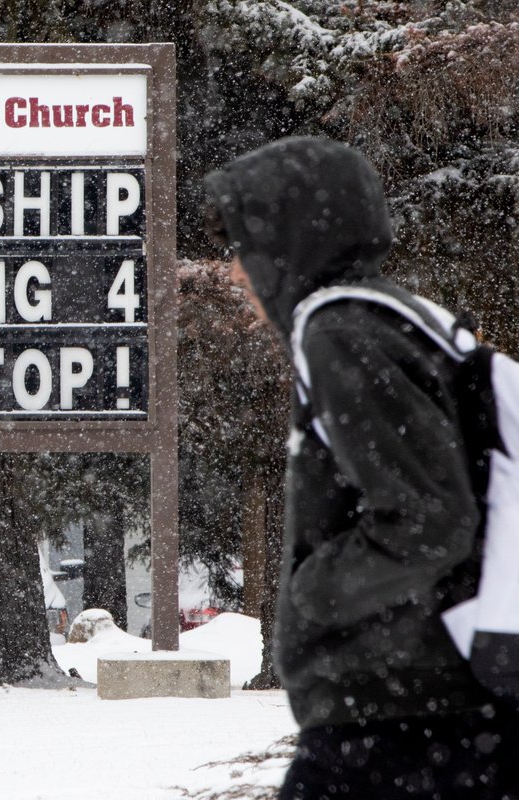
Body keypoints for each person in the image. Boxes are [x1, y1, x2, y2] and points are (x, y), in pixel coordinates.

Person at [202, 137, 519, 799]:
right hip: (435, 706)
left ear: (291, 239)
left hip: (398, 720)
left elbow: (430, 519)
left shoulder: (341, 331)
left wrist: (313, 593)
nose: (234, 273)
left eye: (243, 248)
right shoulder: (398, 319)